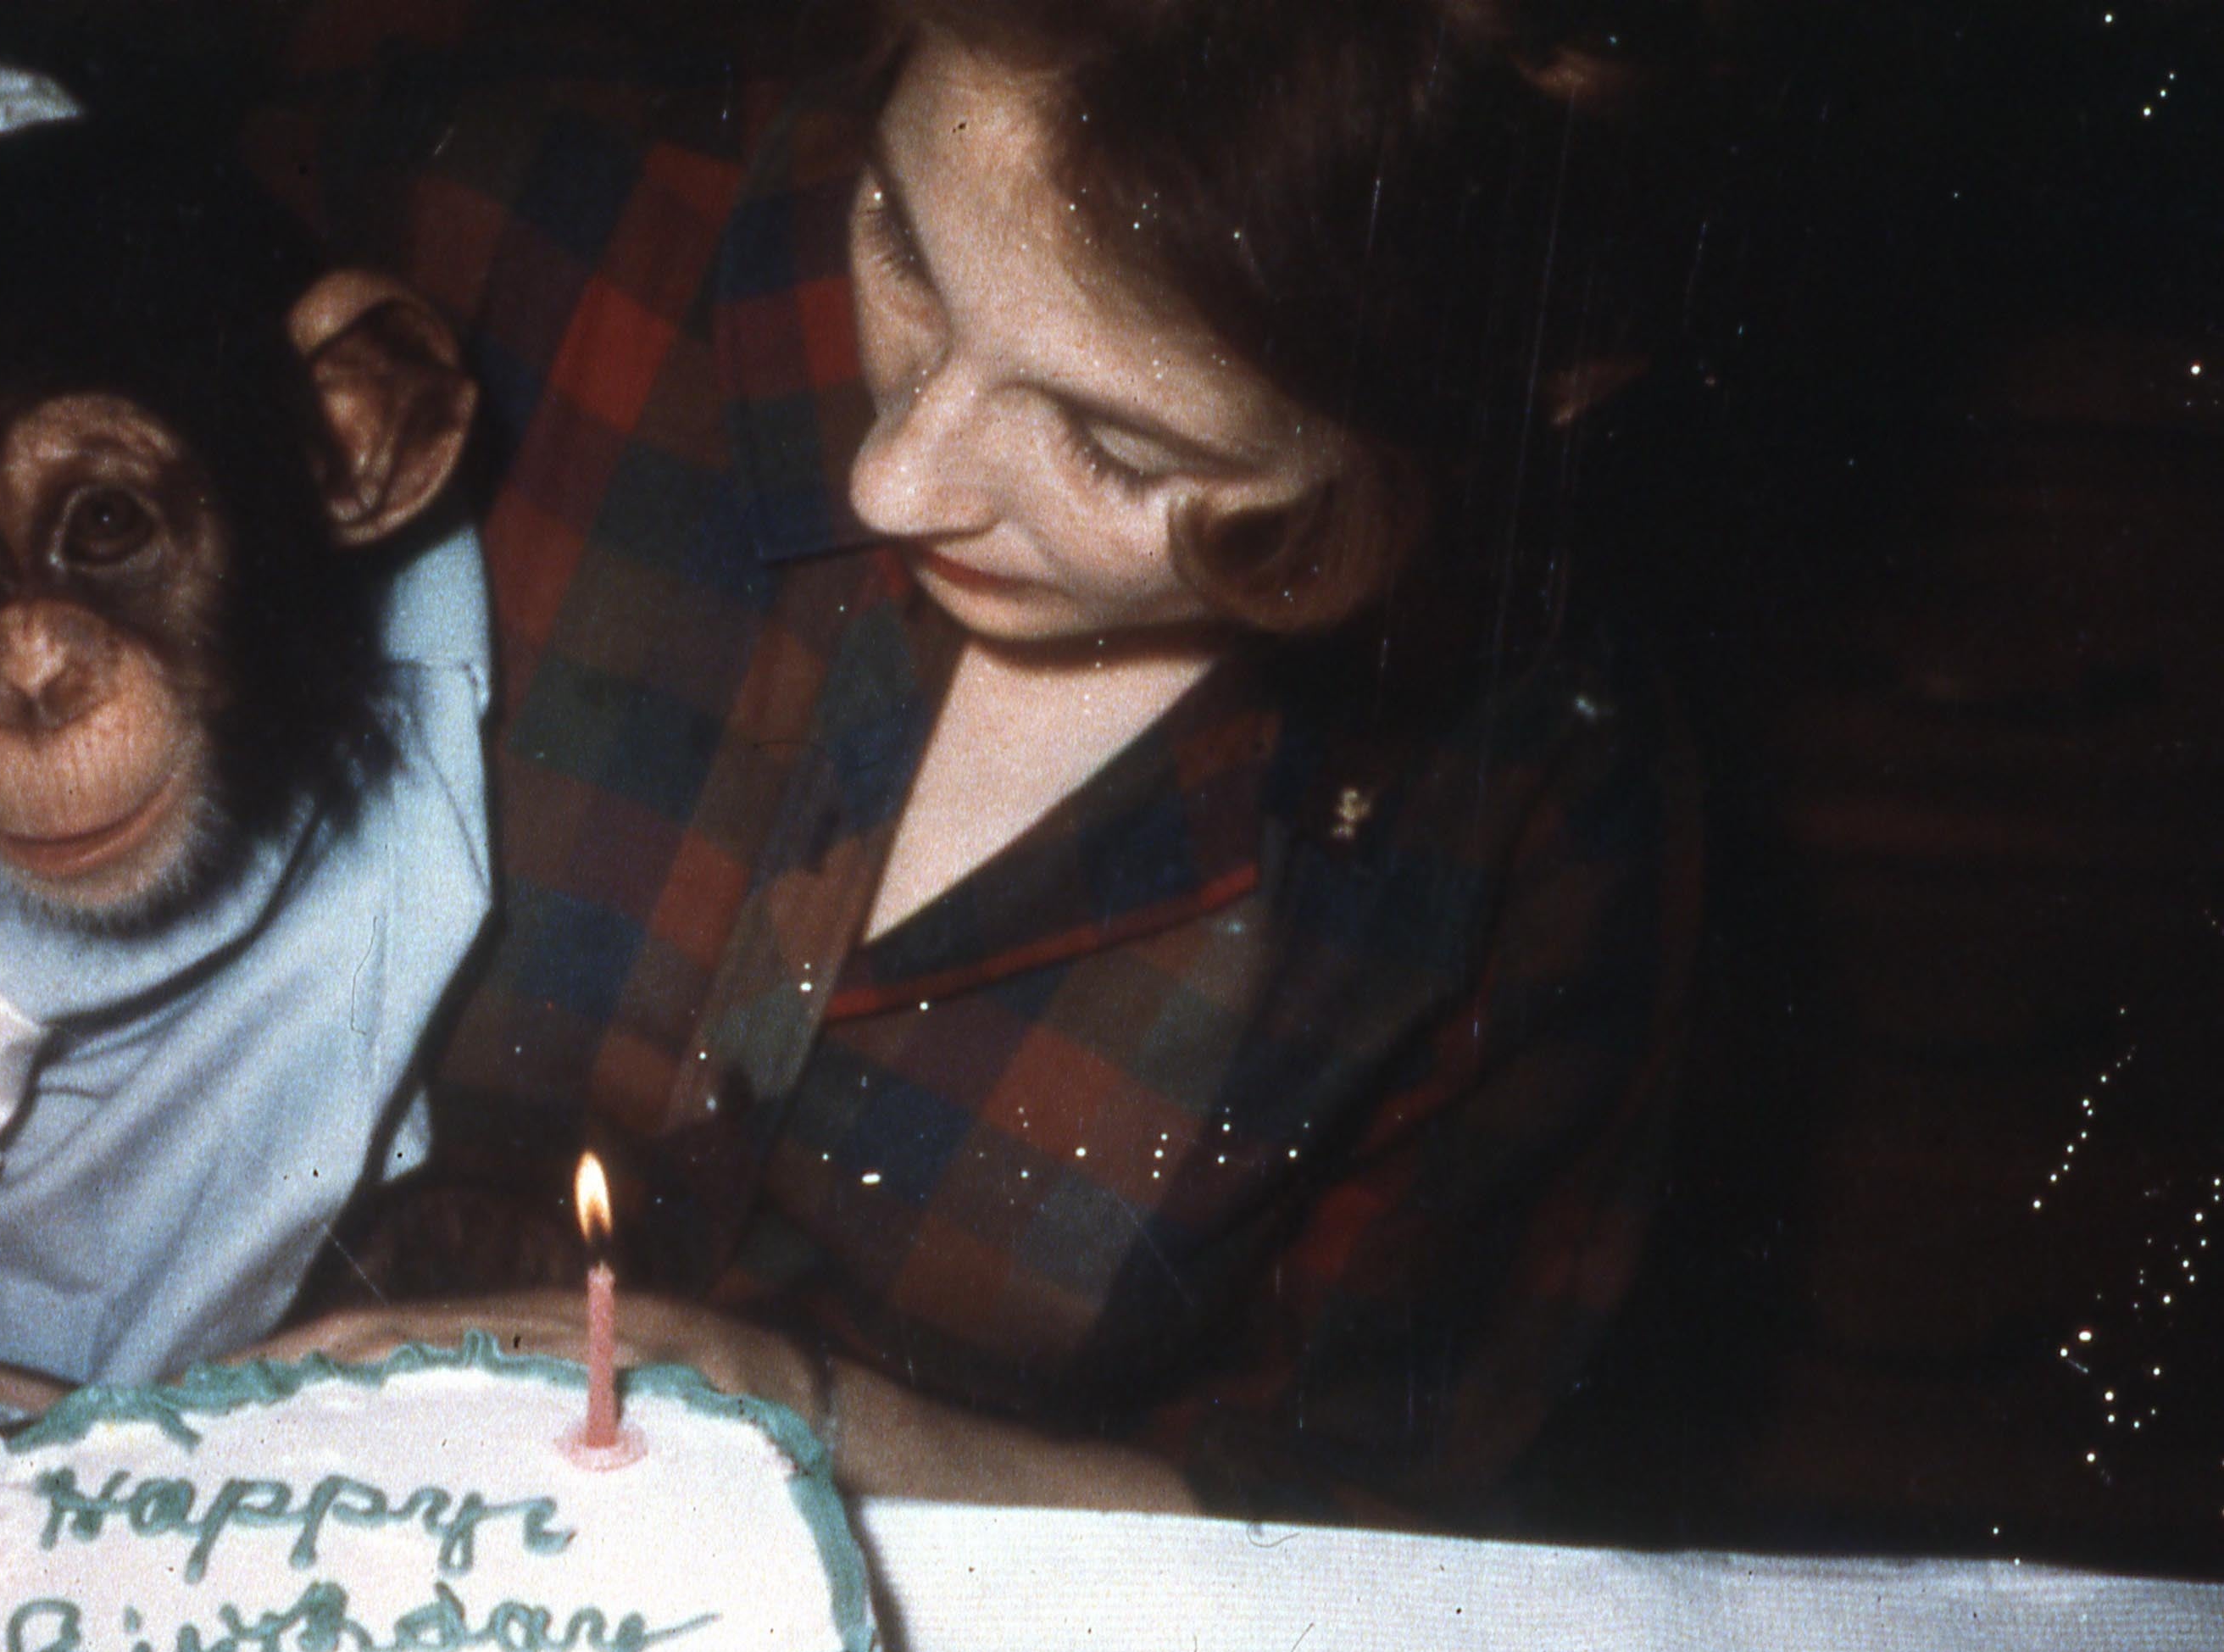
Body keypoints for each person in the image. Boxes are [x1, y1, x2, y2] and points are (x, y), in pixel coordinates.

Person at [261, 0, 1704, 1525]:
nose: (895, 480)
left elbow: (1368, 1538)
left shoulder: (1524, 821)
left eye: (1121, 453)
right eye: (901, 244)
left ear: (1512, 408)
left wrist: (807, 1419)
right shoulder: (497, 236)